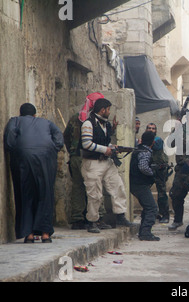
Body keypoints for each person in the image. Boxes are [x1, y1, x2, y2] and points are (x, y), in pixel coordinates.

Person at [4, 103, 64, 243]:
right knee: (45, 193)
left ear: (21, 114)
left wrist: (18, 150)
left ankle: (29, 234)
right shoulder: (46, 122)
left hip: (23, 158)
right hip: (46, 157)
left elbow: (10, 140)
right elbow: (59, 138)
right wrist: (50, 150)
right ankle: (45, 234)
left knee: (25, 193)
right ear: (35, 115)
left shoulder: (15, 121)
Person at [80, 98, 133, 233]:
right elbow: (86, 144)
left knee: (118, 186)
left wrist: (113, 147)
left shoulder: (106, 125)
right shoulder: (88, 124)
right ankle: (92, 221)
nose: (109, 112)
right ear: (102, 110)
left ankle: (121, 216)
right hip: (93, 163)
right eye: (108, 109)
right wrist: (105, 149)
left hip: (107, 162)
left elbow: (104, 143)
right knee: (94, 194)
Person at [63, 92, 110, 230]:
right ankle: (98, 218)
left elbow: (66, 137)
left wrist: (72, 152)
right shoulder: (96, 120)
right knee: (96, 187)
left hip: (75, 158)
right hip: (89, 158)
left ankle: (77, 219)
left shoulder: (74, 118)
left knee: (78, 188)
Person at [130, 131, 160, 241]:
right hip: (139, 184)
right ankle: (145, 233)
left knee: (147, 207)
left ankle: (143, 231)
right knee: (152, 208)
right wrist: (152, 172)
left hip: (136, 183)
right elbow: (143, 167)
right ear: (152, 142)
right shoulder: (145, 152)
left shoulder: (138, 149)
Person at [146, 123, 170, 223]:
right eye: (149, 128)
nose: (151, 130)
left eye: (153, 129)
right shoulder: (145, 141)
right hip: (148, 170)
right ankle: (152, 213)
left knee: (162, 193)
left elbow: (155, 145)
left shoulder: (158, 140)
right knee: (145, 192)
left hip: (160, 170)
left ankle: (165, 215)